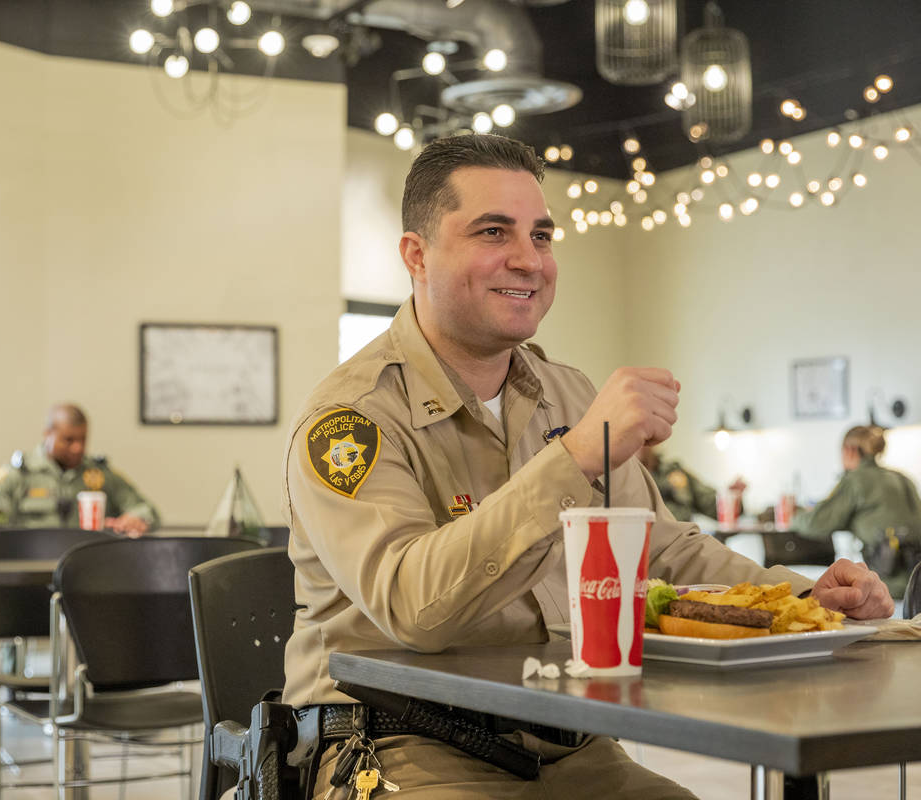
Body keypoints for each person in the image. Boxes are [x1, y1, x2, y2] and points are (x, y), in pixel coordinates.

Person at [280, 134, 893, 799]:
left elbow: (665, 552)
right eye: (493, 232)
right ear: (415, 254)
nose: (528, 260)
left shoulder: (567, 393)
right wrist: (573, 458)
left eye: (541, 237)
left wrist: (802, 603)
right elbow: (414, 608)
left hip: (568, 746)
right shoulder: (351, 418)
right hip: (396, 750)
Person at [0, 404, 159, 535]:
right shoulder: (17, 474)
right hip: (29, 570)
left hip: (86, 568)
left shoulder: (99, 474)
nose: (77, 448)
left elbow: (146, 509)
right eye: (68, 440)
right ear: (48, 434)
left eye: (83, 439)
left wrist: (135, 519)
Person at [793, 425, 921, 597]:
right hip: (915, 585)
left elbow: (816, 523)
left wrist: (794, 515)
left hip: (889, 587)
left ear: (850, 450)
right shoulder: (903, 478)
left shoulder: (855, 480)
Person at [637, 445, 746, 523]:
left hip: (681, 544)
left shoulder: (675, 471)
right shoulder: (623, 476)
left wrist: (730, 497)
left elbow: (711, 505)